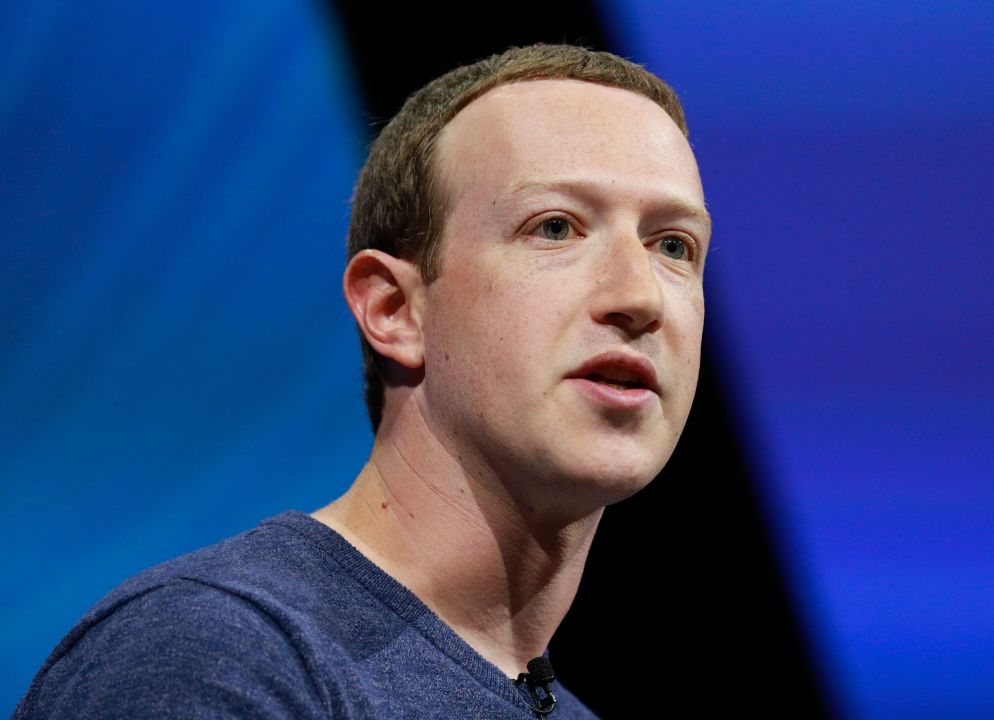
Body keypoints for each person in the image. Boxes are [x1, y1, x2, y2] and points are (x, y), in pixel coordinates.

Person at [15, 44, 709, 718]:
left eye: (673, 245)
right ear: (395, 310)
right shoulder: (215, 654)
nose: (640, 296)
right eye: (555, 227)